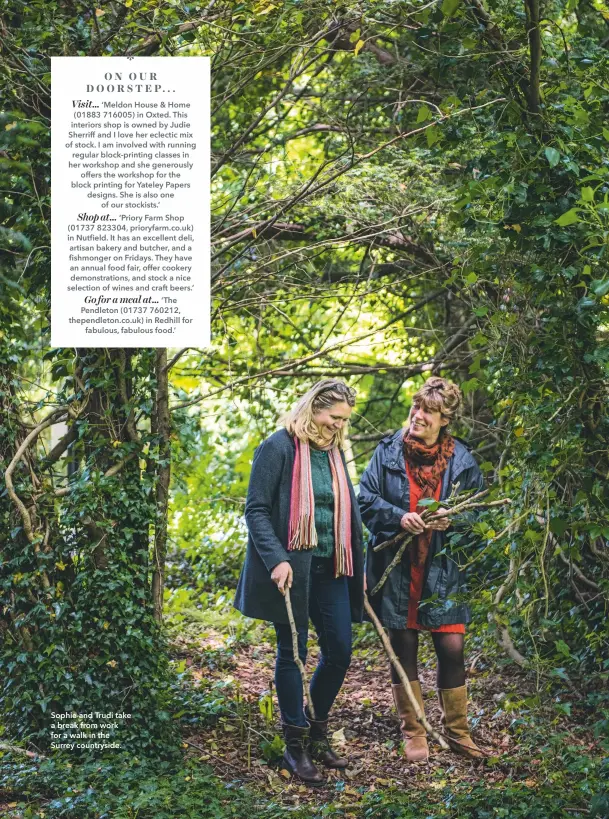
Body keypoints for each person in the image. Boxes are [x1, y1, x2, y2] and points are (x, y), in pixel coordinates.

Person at [234, 380, 365, 786]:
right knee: (292, 652)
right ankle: (294, 745)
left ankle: (316, 729)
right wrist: (276, 560)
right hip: (292, 570)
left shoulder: (334, 451)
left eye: (344, 420)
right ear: (313, 408)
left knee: (340, 651)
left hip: (333, 568)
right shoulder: (279, 447)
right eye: (333, 417)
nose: (338, 426)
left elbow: (346, 510)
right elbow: (255, 509)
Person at [359, 376, 485, 762]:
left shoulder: (462, 461)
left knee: (452, 648)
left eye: (429, 412)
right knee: (404, 646)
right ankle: (414, 732)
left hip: (443, 570)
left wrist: (455, 521)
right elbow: (365, 498)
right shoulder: (388, 453)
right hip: (396, 569)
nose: (419, 416)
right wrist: (399, 518)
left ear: (444, 419)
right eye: (417, 408)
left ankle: (458, 734)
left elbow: (477, 516)